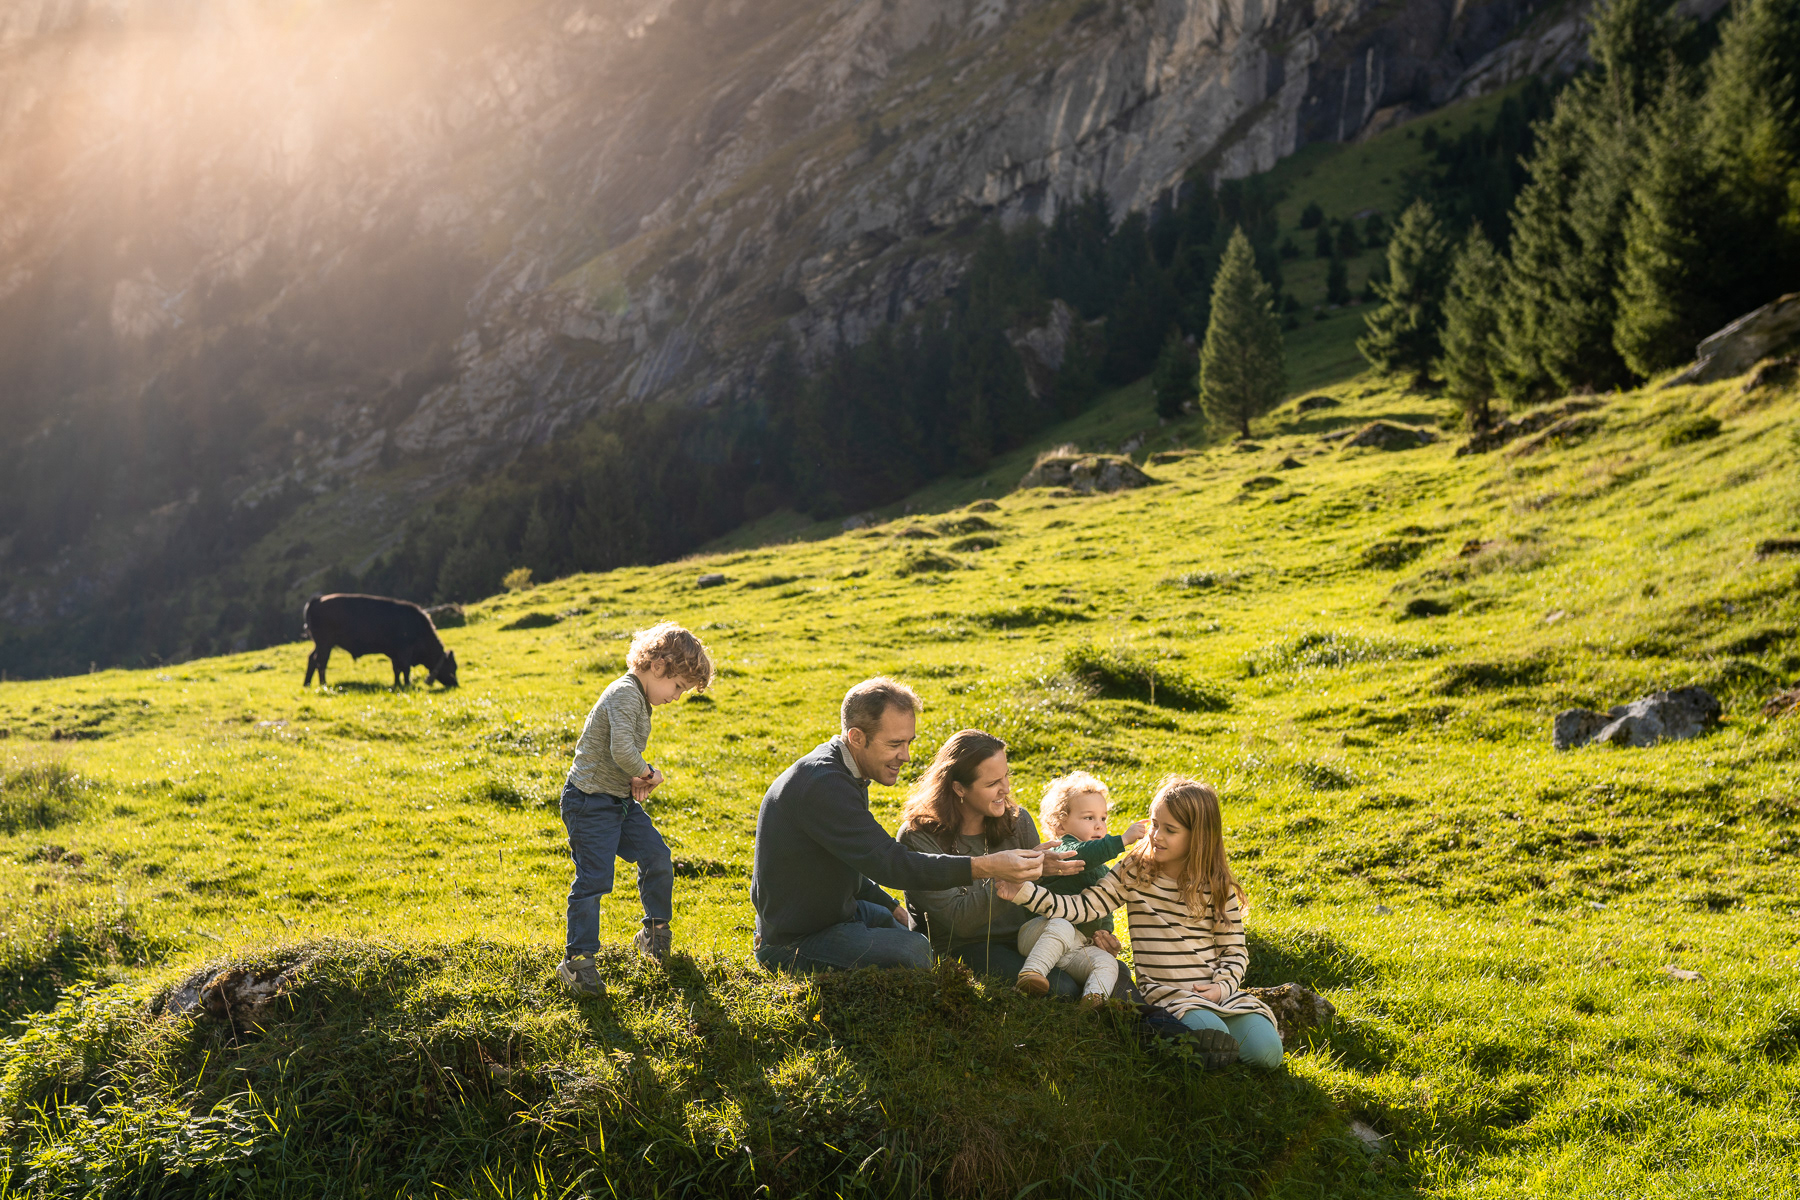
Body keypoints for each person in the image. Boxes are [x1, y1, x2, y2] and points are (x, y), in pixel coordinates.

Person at [751, 678, 1051, 974]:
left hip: (836, 912)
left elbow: (848, 862)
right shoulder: (824, 785)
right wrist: (986, 866)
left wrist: (890, 904)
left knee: (903, 926)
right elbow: (888, 862)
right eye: (895, 744)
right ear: (856, 737)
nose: (906, 756)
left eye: (909, 742)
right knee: (914, 950)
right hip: (797, 937)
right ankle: (777, 954)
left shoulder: (846, 770)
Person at [997, 776, 1284, 1069]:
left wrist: (1222, 988)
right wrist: (1024, 892)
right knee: (1215, 1036)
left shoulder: (1217, 884)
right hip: (1172, 997)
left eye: (1170, 830)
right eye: (1155, 824)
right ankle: (1208, 1060)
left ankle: (1225, 1054)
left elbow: (1234, 951)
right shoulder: (1137, 869)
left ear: (1198, 837)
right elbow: (1082, 907)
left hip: (1222, 995)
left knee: (1269, 1055)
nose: (1156, 835)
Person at [556, 622, 712, 997]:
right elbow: (622, 752)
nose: (676, 697)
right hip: (589, 802)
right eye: (677, 687)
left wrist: (634, 780)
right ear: (658, 665)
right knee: (594, 879)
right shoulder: (625, 694)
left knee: (657, 856)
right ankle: (577, 962)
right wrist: (648, 774)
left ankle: (654, 933)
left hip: (618, 801)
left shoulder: (641, 699)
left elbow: (621, 752)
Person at [896, 732, 1086, 993]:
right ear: (959, 787)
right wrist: (1023, 874)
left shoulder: (1017, 821)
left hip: (1024, 935)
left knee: (1106, 968)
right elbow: (958, 920)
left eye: (1006, 775)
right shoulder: (918, 837)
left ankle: (1150, 1024)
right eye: (992, 783)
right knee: (1063, 989)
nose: (1006, 788)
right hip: (961, 947)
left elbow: (1041, 898)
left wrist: (1090, 930)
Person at [1014, 771, 1146, 1009]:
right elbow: (1086, 854)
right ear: (1060, 823)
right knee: (1062, 924)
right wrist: (1122, 840)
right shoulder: (1063, 847)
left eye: (1103, 818)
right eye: (1088, 818)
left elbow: (1103, 906)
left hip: (1074, 945)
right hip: (1038, 933)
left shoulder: (1102, 870)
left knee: (1107, 963)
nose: (1099, 825)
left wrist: (1103, 936)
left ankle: (1093, 999)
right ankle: (1031, 975)